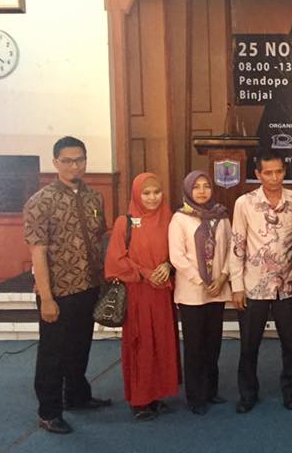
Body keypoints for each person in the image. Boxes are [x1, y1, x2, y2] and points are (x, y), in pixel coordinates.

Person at [23, 136, 111, 434]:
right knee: (53, 354)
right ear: (55, 163)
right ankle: (49, 412)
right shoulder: (41, 201)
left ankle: (77, 396)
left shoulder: (94, 197)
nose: (75, 166)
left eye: (80, 160)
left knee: (80, 346)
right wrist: (47, 297)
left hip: (89, 286)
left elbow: (99, 238)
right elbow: (38, 252)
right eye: (68, 161)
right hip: (58, 291)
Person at [228, 152, 292, 413]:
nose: (274, 178)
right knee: (249, 345)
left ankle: (290, 392)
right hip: (254, 286)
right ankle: (247, 393)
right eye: (268, 173)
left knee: (290, 344)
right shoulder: (244, 203)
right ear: (258, 174)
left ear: (285, 171)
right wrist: (237, 286)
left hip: (289, 285)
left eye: (279, 172)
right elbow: (237, 245)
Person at [104, 173, 180, 420]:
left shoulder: (169, 219)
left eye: (157, 192)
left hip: (162, 294)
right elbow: (116, 260)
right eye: (146, 193)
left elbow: (178, 251)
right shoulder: (124, 223)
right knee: (141, 345)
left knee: (161, 344)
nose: (152, 197)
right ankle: (139, 400)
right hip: (138, 293)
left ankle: (156, 394)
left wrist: (168, 266)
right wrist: (146, 273)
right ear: (137, 194)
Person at [169, 170, 232, 415]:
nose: (202, 191)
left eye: (206, 186)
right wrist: (201, 280)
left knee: (213, 343)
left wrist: (223, 276)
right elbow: (177, 256)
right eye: (196, 187)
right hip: (192, 292)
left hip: (218, 289)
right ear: (188, 190)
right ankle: (195, 396)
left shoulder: (221, 216)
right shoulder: (180, 219)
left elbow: (231, 249)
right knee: (194, 346)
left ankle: (211, 390)